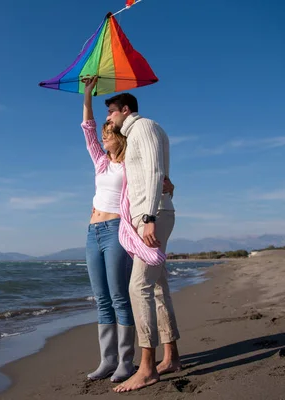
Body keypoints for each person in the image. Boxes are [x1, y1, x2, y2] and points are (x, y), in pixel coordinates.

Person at [80, 76, 174, 383]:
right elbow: (88, 131)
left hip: (119, 229)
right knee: (102, 297)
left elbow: (153, 169)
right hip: (93, 232)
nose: (104, 137)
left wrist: (165, 186)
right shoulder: (102, 163)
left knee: (124, 294)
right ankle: (107, 359)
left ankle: (127, 360)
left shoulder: (129, 160)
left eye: (109, 133)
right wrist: (88, 93)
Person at [103, 91, 181, 393]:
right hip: (153, 213)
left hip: (153, 215)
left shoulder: (143, 127)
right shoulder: (147, 130)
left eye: (111, 112)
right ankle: (171, 356)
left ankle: (147, 368)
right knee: (158, 286)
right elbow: (158, 171)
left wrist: (148, 216)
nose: (109, 118)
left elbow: (154, 170)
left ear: (125, 110)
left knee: (139, 287)